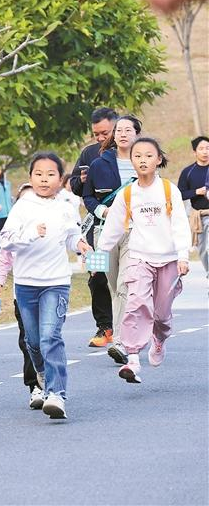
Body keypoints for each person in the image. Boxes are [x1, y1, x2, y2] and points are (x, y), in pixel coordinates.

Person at [0, 153, 91, 420]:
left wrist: (81, 245)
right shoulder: (23, 207)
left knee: (51, 336)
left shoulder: (65, 206)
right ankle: (41, 371)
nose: (44, 179)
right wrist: (31, 234)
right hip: (26, 284)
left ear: (61, 179)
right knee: (34, 341)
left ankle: (56, 394)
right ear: (30, 177)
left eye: (50, 174)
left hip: (56, 282)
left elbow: (72, 235)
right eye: (38, 174)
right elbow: (5, 241)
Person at [97, 138, 191, 383]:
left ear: (158, 159)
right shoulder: (128, 193)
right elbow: (113, 229)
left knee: (160, 313)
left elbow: (180, 225)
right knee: (136, 303)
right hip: (139, 257)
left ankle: (159, 339)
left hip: (169, 259)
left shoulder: (169, 190)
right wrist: (97, 260)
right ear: (132, 161)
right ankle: (133, 357)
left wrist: (183, 256)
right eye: (137, 156)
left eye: (148, 155)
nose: (143, 160)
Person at [83, 115, 143, 364]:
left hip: (135, 232)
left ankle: (120, 340)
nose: (123, 134)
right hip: (104, 232)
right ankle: (116, 331)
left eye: (128, 130)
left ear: (137, 134)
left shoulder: (144, 162)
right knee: (109, 284)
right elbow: (88, 197)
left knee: (125, 286)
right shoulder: (99, 163)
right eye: (119, 130)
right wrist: (104, 211)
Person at [0, 183, 45, 410]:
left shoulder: (49, 225)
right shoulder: (13, 234)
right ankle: (35, 387)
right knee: (29, 341)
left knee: (49, 339)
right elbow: (5, 258)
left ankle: (52, 384)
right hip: (22, 293)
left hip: (50, 289)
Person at [69, 107, 117, 348]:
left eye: (105, 133)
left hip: (127, 227)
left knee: (125, 278)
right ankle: (105, 327)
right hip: (95, 226)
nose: (100, 138)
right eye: (96, 134)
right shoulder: (88, 153)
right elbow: (74, 183)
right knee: (97, 276)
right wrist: (82, 181)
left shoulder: (131, 154)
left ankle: (130, 327)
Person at [177, 136, 209, 276]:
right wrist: (197, 192)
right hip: (198, 216)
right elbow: (180, 194)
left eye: (208, 148)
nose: (205, 151)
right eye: (201, 148)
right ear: (194, 152)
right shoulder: (188, 172)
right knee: (202, 249)